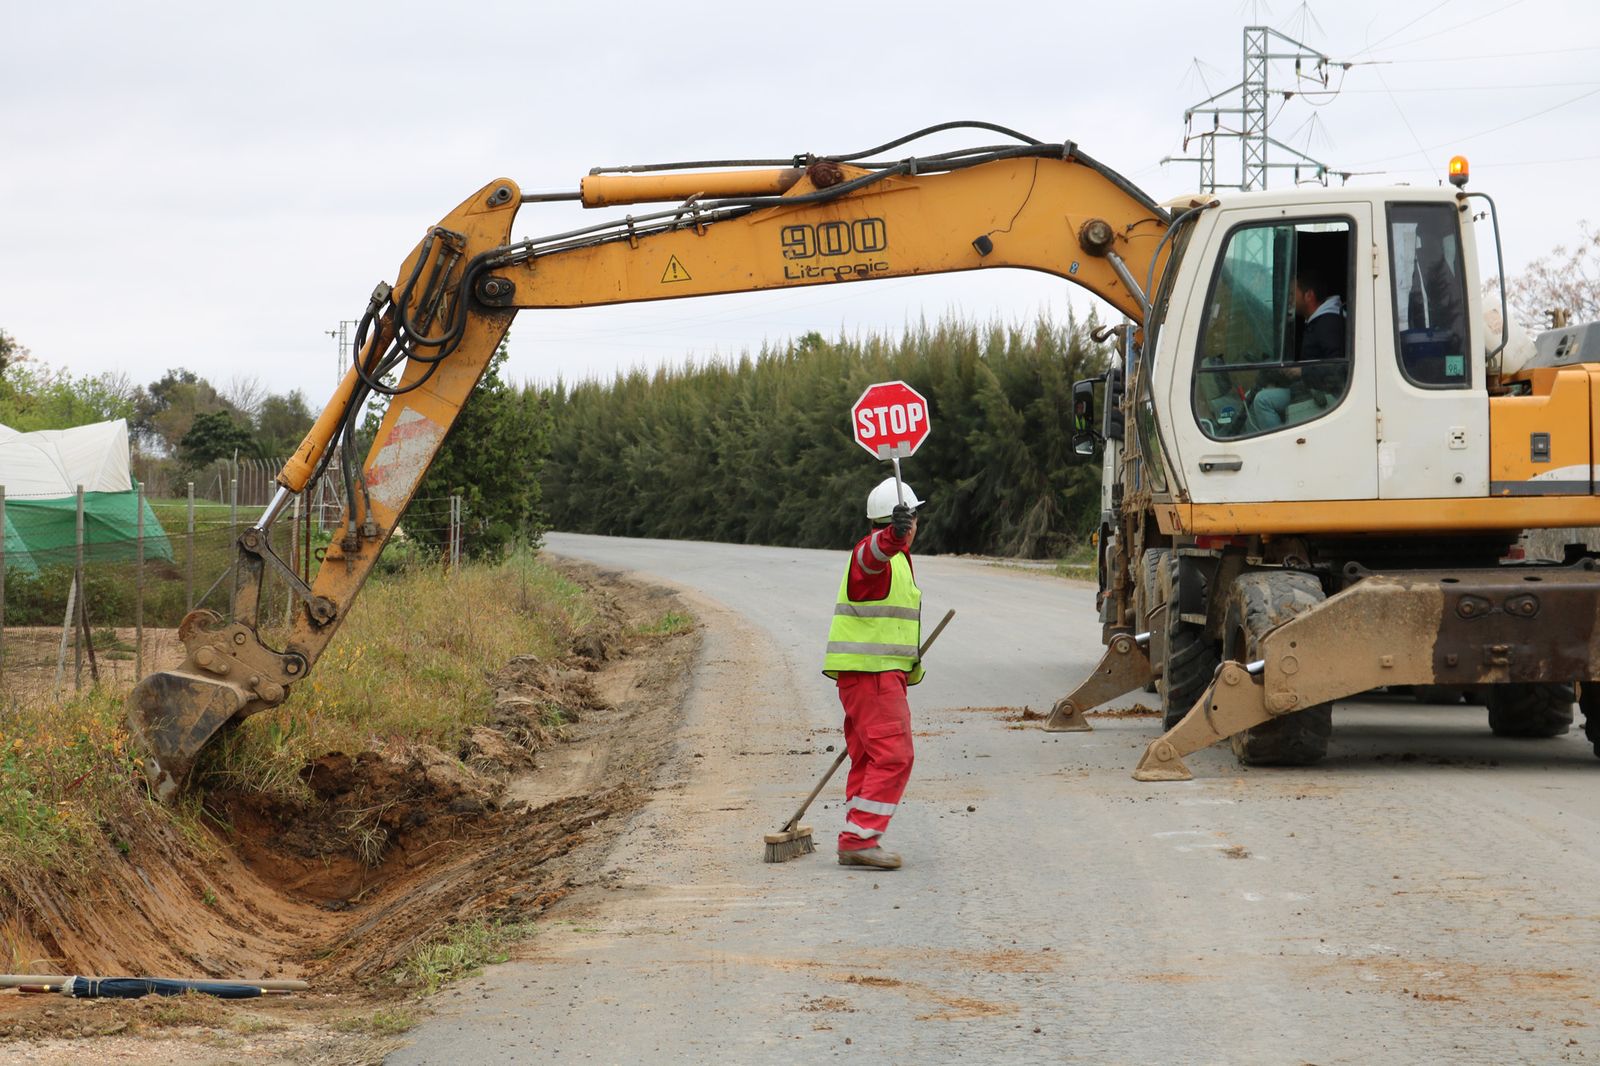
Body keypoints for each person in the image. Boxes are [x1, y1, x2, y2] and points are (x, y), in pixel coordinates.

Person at [822, 476, 926, 871]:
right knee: (895, 756)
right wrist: (891, 538)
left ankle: (856, 831)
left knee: (868, 758)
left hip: (870, 677)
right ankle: (859, 838)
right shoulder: (876, 556)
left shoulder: (897, 561)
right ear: (905, 523)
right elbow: (870, 555)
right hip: (873, 677)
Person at [1250, 261, 1347, 429]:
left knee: (1262, 401)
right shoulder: (1316, 322)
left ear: (1309, 295)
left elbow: (1339, 368)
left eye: (1292, 295)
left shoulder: (1328, 324)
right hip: (1306, 388)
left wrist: (1302, 371)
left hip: (1323, 396)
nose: (1289, 301)